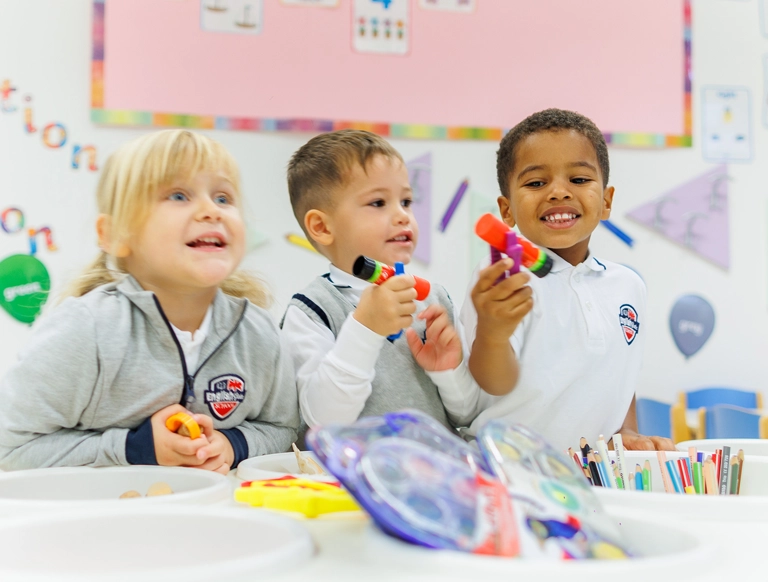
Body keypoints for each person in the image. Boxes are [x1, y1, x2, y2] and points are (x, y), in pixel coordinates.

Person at [0, 129, 299, 472]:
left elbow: (286, 431)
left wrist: (234, 444)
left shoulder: (259, 333)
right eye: (178, 195)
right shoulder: (85, 330)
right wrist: (135, 448)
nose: (210, 211)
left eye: (222, 198)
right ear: (113, 235)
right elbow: (10, 448)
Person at [461, 108, 675, 452]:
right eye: (536, 183)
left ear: (606, 202)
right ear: (506, 210)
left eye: (578, 179)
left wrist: (627, 432)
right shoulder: (504, 279)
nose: (558, 192)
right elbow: (492, 383)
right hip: (505, 470)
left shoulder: (628, 285)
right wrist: (493, 332)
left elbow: (619, 370)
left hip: (588, 480)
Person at [281, 129, 478, 432]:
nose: (402, 216)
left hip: (433, 473)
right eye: (378, 203)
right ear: (321, 226)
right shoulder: (311, 309)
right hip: (351, 478)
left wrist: (448, 372)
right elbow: (323, 420)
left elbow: (465, 416)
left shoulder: (433, 299)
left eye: (407, 201)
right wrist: (364, 329)